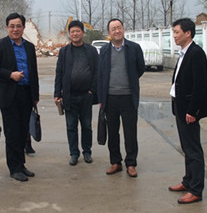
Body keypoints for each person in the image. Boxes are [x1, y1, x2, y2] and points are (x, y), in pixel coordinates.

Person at [168, 18, 207, 204]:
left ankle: (196, 190)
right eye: (173, 32)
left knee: (194, 149)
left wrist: (193, 111)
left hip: (189, 111)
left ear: (188, 33)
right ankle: (188, 181)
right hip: (180, 107)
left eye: (177, 32)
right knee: (186, 147)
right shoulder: (184, 52)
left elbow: (200, 86)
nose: (174, 36)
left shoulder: (196, 54)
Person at [0, 13, 40, 182]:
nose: (15, 29)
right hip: (8, 95)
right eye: (12, 26)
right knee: (12, 133)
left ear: (23, 28)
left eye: (18, 26)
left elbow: (34, 72)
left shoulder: (29, 47)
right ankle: (14, 168)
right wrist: (10, 74)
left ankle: (21, 164)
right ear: (7, 27)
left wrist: (35, 95)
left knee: (23, 132)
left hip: (26, 94)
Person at [97, 18, 145, 178]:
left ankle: (131, 163)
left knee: (130, 132)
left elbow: (140, 68)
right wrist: (101, 98)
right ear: (109, 33)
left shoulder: (134, 48)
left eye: (119, 27)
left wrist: (129, 81)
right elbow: (100, 74)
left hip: (128, 97)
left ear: (123, 29)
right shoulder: (104, 50)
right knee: (112, 132)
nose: (117, 31)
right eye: (113, 29)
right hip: (110, 98)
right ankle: (115, 162)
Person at [54, 20, 99, 165]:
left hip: (86, 95)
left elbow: (97, 72)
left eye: (78, 31)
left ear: (83, 33)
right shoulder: (64, 52)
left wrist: (93, 90)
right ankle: (74, 153)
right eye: (72, 31)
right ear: (69, 34)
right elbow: (59, 73)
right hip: (69, 95)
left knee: (87, 126)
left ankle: (87, 152)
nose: (75, 34)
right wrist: (57, 93)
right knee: (71, 126)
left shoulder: (91, 51)